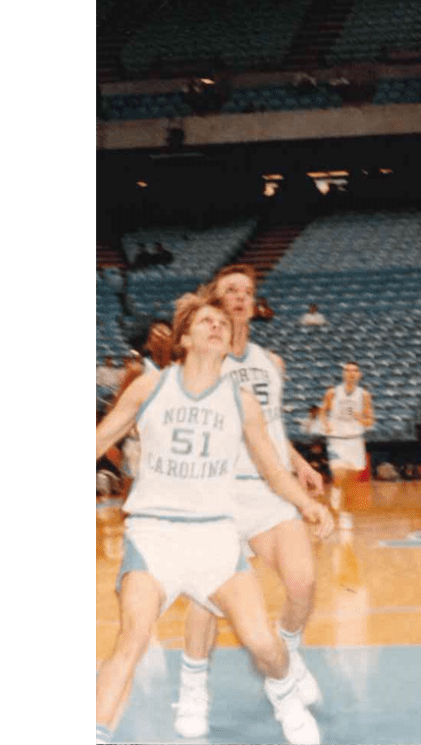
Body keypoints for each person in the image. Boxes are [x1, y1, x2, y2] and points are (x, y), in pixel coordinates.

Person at [95, 293, 333, 745]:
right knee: (132, 639)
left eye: (222, 324)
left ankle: (284, 694)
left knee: (263, 643)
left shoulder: (242, 402)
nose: (217, 327)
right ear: (184, 337)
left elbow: (270, 468)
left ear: (229, 343)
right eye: (206, 321)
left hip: (215, 537)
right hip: (154, 532)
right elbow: (100, 437)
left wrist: (308, 504)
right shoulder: (151, 386)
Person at [176, 266, 329, 739]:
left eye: (247, 291)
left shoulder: (270, 362)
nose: (240, 298)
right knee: (208, 602)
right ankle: (193, 690)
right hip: (219, 494)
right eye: (230, 291)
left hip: (268, 489)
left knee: (302, 581)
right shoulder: (205, 359)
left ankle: (288, 653)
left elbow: (269, 428)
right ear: (215, 302)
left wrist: (298, 462)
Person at [116, 321, 173, 491]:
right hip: (138, 444)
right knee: (130, 504)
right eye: (155, 335)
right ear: (148, 344)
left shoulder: (180, 371)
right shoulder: (137, 370)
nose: (160, 337)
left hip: (168, 444)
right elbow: (117, 410)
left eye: (165, 333)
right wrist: (113, 447)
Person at [322, 361, 374, 529]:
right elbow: (323, 411)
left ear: (359, 375)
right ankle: (336, 490)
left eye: (355, 371)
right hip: (337, 440)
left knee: (351, 483)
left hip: (355, 440)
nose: (351, 373)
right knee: (339, 475)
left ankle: (346, 514)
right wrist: (326, 424)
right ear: (343, 374)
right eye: (348, 370)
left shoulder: (364, 395)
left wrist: (361, 419)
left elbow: (370, 421)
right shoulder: (332, 392)